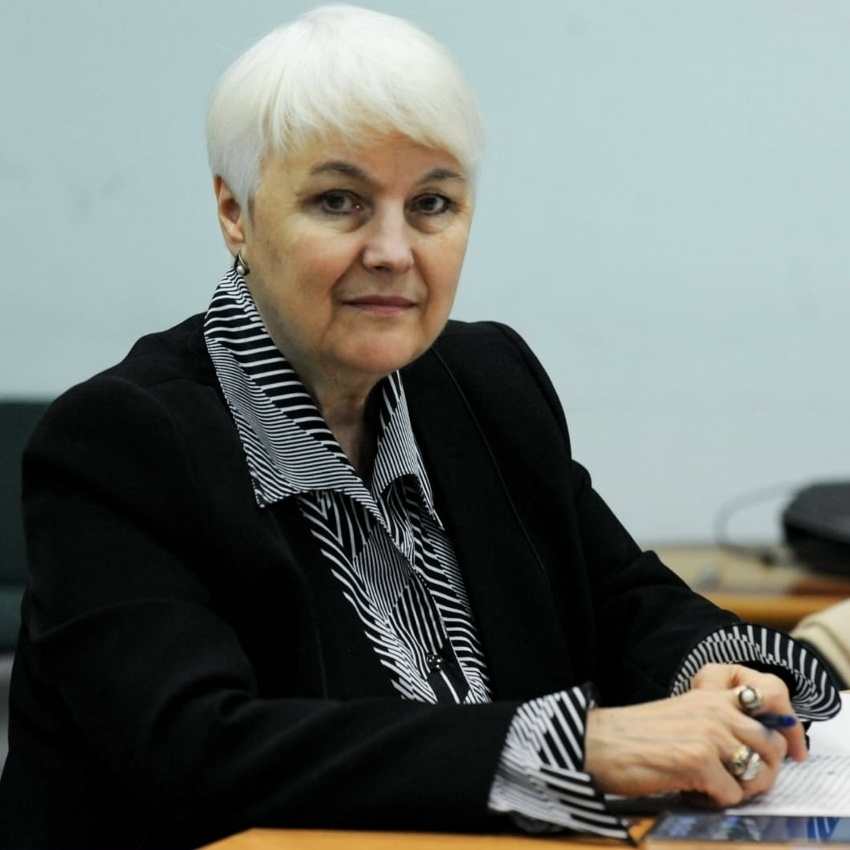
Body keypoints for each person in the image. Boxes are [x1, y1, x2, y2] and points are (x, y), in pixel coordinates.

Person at [0, 5, 840, 849]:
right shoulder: (118, 442)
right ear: (235, 213)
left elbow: (622, 599)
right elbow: (201, 749)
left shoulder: (486, 381)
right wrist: (580, 749)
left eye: (432, 203)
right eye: (339, 202)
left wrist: (720, 678)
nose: (394, 252)